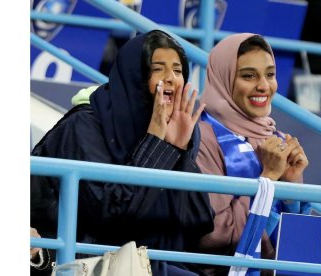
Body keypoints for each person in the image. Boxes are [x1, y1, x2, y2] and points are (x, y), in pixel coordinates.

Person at [31, 29, 214, 275]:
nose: (171, 78)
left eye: (178, 70)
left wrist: (179, 151)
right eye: (158, 69)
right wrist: (158, 142)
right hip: (73, 260)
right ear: (134, 76)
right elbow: (111, 215)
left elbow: (198, 222)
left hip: (146, 261)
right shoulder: (84, 127)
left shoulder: (176, 130)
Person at [193, 33, 309, 275]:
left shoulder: (273, 135)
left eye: (270, 74)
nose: (264, 86)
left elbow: (293, 236)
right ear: (223, 79)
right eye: (248, 75)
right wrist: (268, 178)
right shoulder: (201, 138)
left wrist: (292, 185)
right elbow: (214, 236)